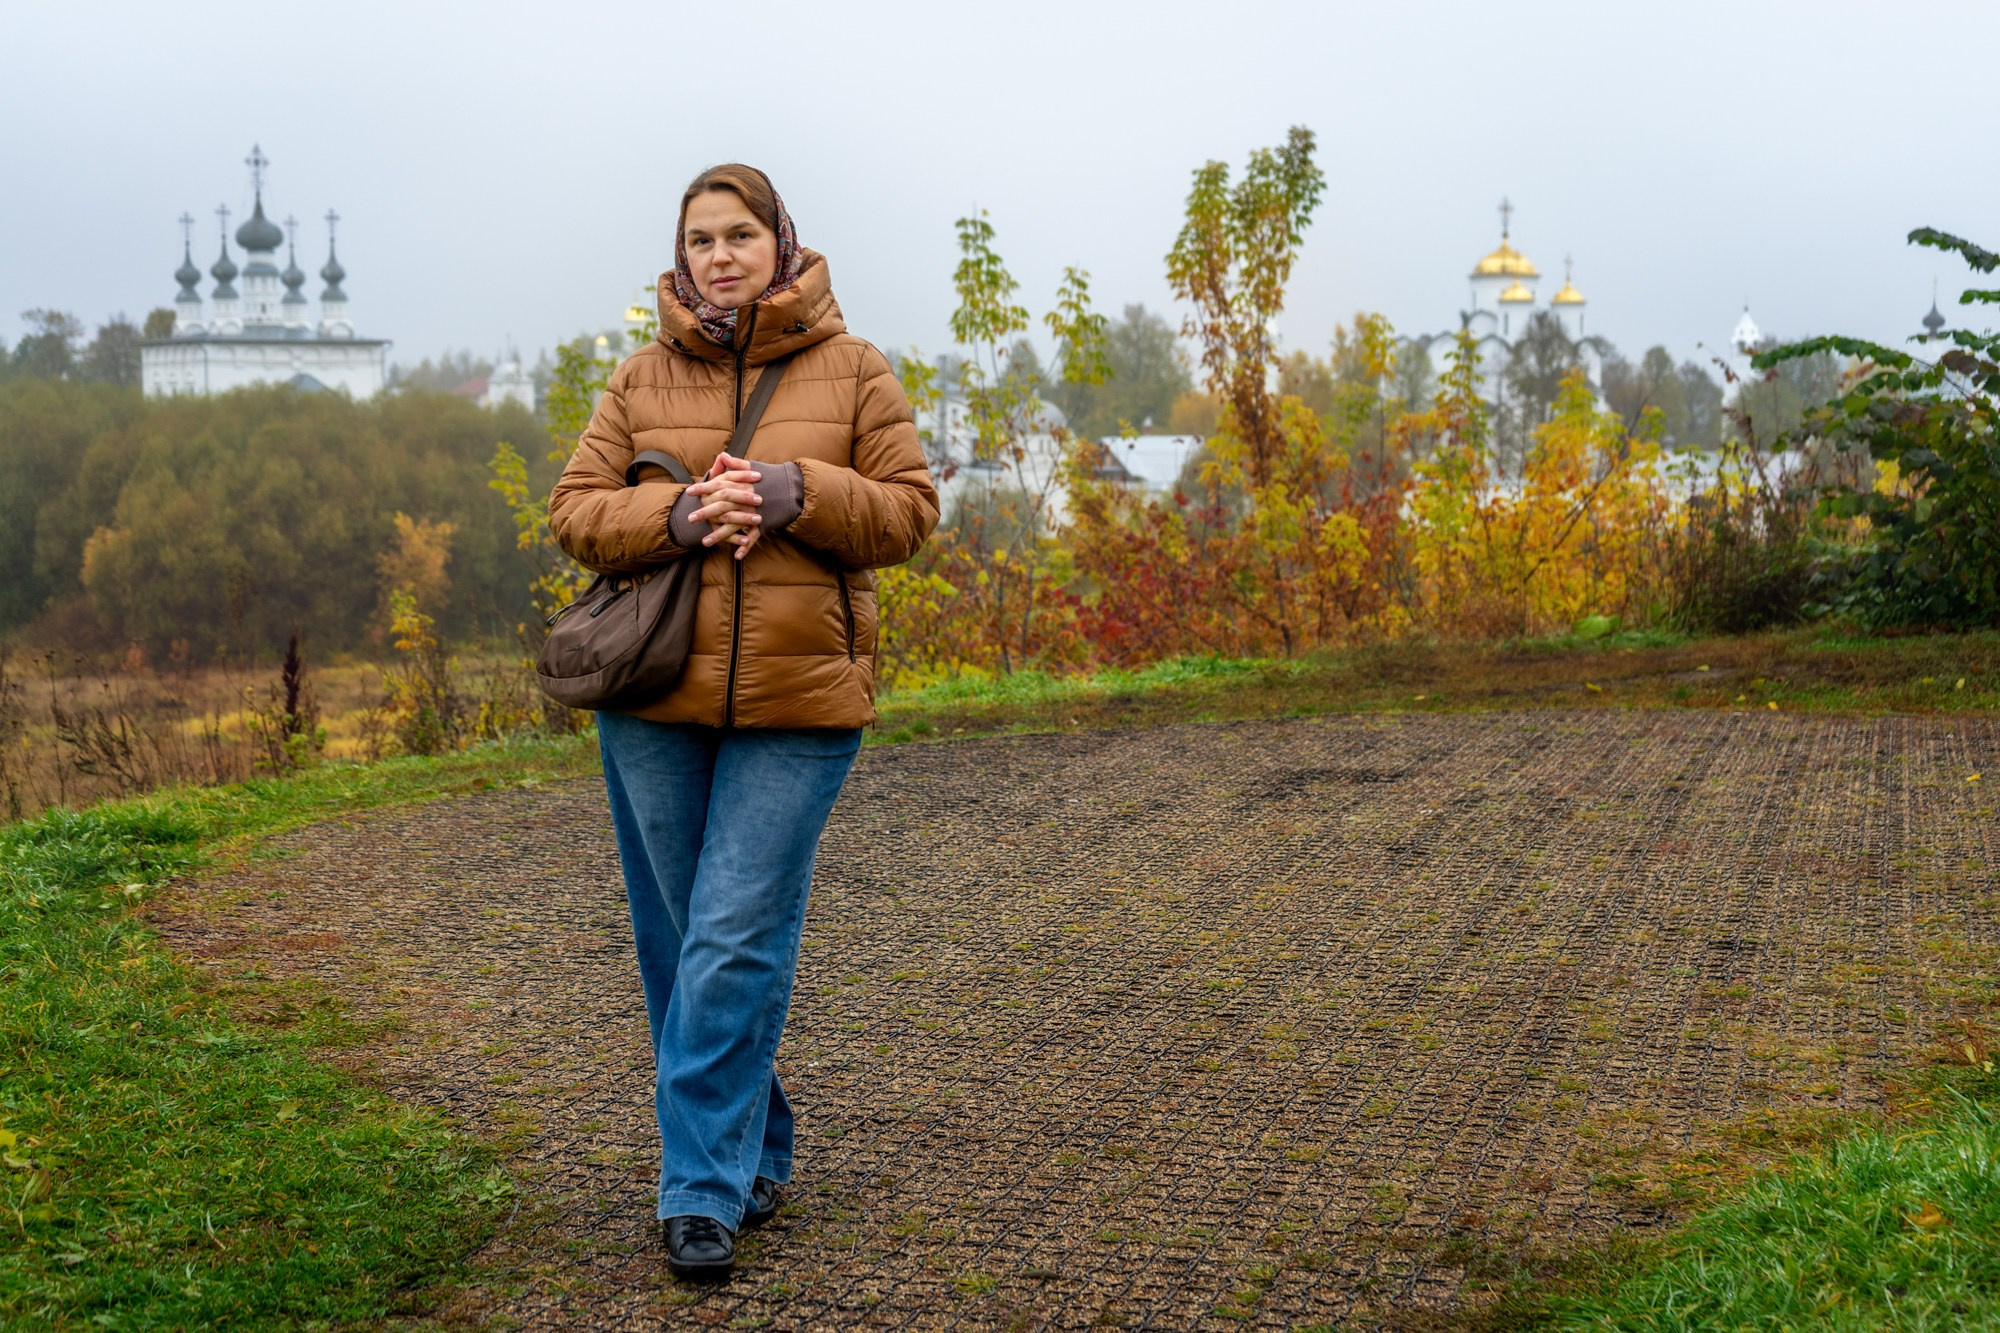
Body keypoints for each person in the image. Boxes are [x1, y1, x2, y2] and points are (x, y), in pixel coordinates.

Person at [547, 164, 938, 1280]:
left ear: (781, 244)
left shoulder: (854, 369)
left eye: (739, 235)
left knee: (729, 935)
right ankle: (751, 1143)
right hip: (651, 696)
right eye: (700, 239)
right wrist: (678, 512)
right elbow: (574, 512)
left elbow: (910, 512)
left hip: (801, 701)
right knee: (680, 943)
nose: (719, 256)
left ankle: (698, 1189)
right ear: (681, 255)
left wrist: (794, 492)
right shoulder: (639, 375)